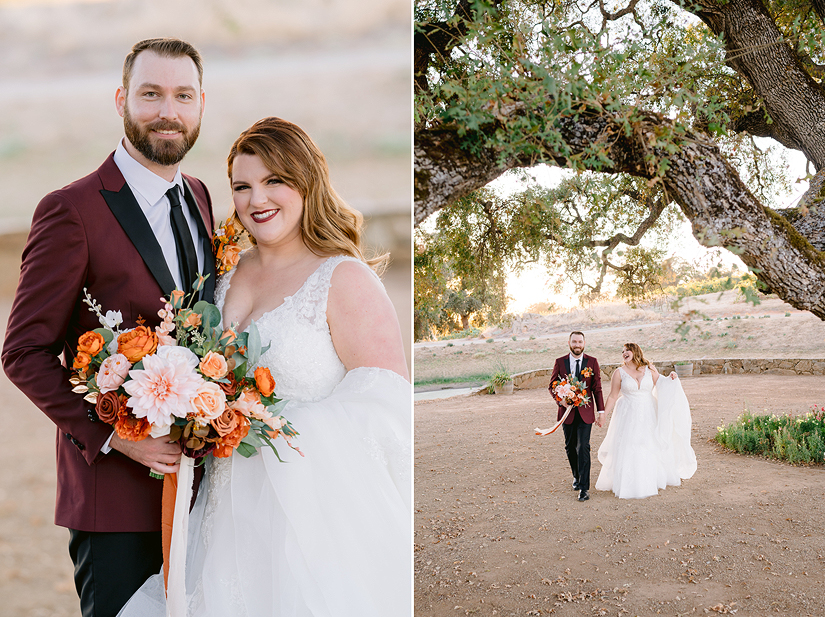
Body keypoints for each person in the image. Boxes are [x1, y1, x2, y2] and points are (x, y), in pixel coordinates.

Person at [120, 117, 411, 616]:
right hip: (224, 515)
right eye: (242, 186)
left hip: (308, 521)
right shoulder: (226, 275)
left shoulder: (343, 277)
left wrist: (271, 423)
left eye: (274, 180)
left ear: (306, 181)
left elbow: (387, 404)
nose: (258, 199)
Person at [2, 38, 214, 617]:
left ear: (200, 105)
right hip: (113, 503)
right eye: (151, 94)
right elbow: (23, 351)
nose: (167, 111)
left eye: (182, 95)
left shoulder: (198, 197)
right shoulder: (71, 211)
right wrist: (118, 438)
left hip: (201, 497)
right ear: (122, 99)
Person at [595, 343, 697, 499]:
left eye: (627, 350)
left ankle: (650, 479)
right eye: (622, 351)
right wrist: (603, 415)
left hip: (648, 411)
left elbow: (662, 383)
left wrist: (672, 379)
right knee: (630, 445)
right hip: (628, 414)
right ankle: (629, 483)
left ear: (635, 351)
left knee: (648, 444)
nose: (624, 353)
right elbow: (613, 396)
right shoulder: (619, 373)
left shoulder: (649, 369)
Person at [549, 331, 605, 502]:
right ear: (569, 343)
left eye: (580, 342)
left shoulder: (592, 362)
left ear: (584, 343)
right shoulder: (560, 362)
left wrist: (601, 412)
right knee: (570, 447)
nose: (577, 345)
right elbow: (552, 385)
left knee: (583, 447)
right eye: (574, 342)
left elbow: (597, 388)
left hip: (586, 412)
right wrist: (560, 401)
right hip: (567, 413)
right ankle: (576, 475)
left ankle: (584, 488)